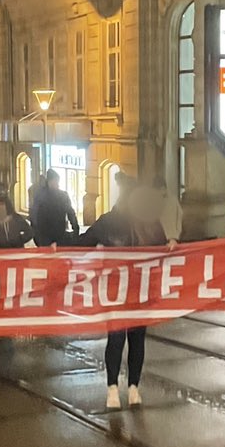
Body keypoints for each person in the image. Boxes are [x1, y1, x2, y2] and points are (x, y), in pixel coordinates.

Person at [81, 178, 166, 409]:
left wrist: (173, 246)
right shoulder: (109, 222)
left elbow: (163, 249)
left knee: (133, 339)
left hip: (137, 291)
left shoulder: (149, 222)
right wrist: (56, 249)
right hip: (118, 291)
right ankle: (115, 389)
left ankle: (131, 388)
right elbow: (81, 243)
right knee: (119, 339)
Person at [32, 169, 79, 247]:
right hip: (44, 235)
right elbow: (35, 215)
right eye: (55, 181)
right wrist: (36, 234)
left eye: (57, 181)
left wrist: (75, 228)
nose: (56, 184)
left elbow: (70, 212)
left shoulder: (62, 195)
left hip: (58, 234)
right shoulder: (41, 196)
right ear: (49, 182)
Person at [154, 176, 183, 250]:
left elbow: (169, 220)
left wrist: (172, 239)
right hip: (170, 239)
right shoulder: (172, 200)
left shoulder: (167, 201)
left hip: (167, 241)